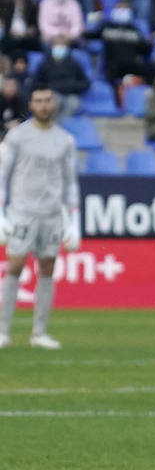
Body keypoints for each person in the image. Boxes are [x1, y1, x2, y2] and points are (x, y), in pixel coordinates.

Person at [0, 86, 79, 350]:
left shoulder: (65, 140)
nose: (44, 105)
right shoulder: (17, 136)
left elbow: (70, 183)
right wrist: (1, 214)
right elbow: (2, 176)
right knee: (15, 265)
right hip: (22, 211)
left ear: (53, 104)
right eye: (38, 101)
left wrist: (74, 221)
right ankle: (3, 331)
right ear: (31, 104)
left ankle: (39, 333)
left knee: (47, 267)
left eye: (48, 100)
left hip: (52, 213)